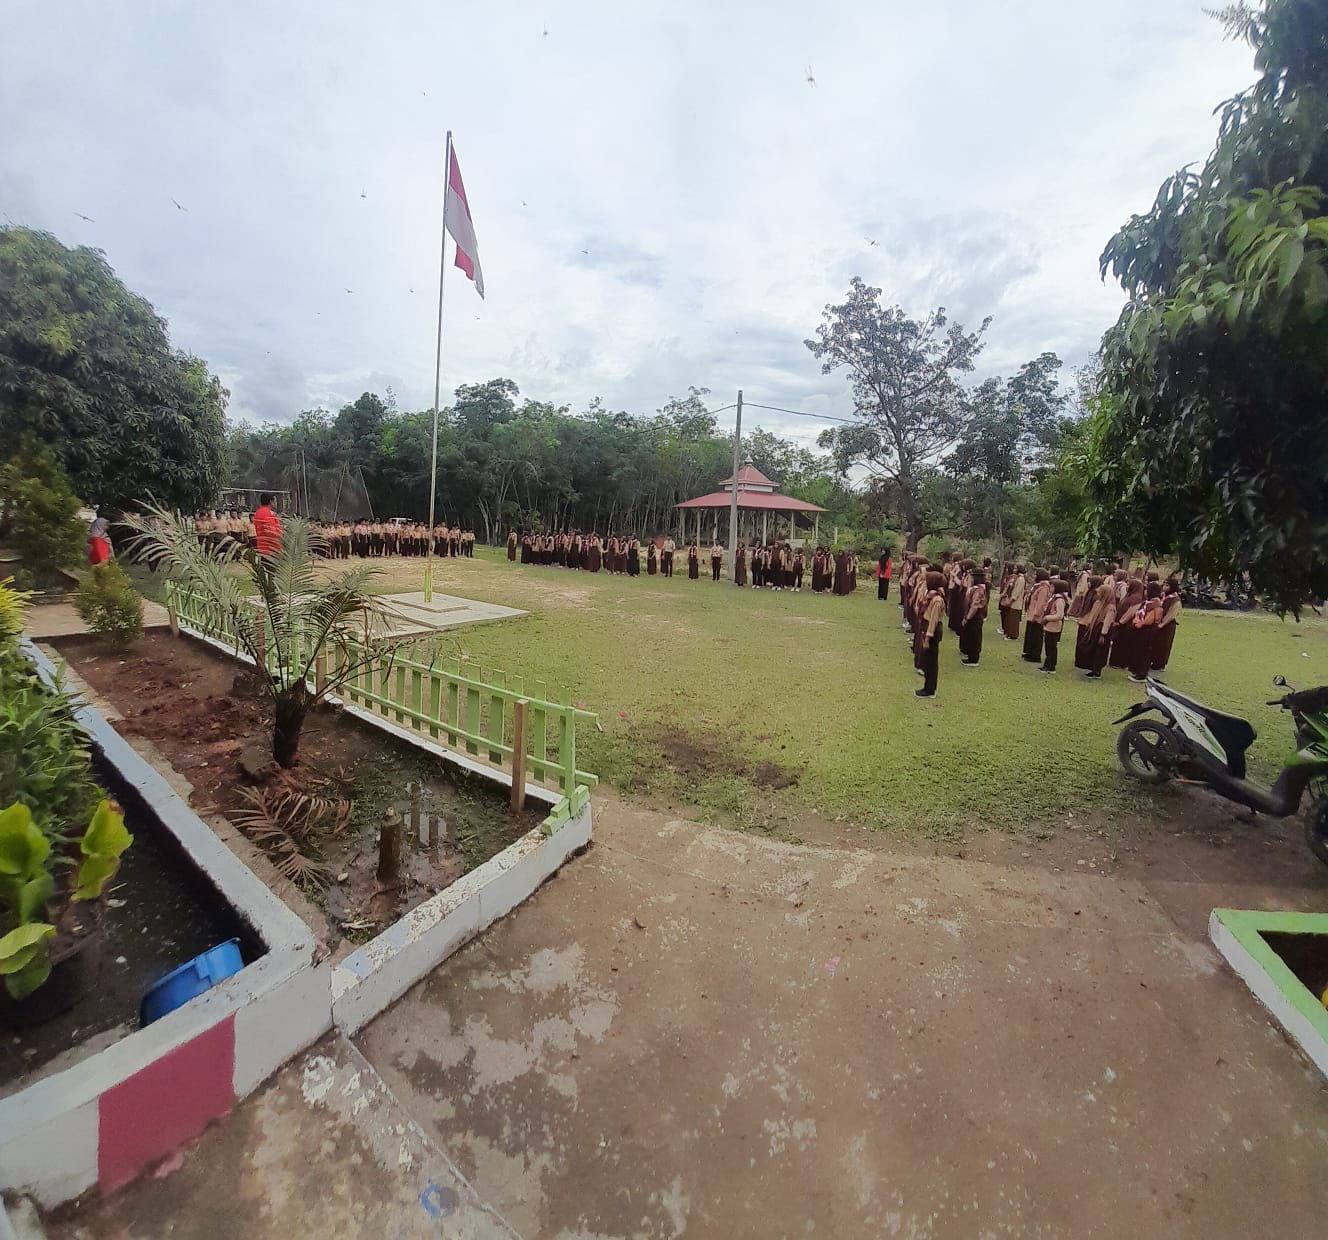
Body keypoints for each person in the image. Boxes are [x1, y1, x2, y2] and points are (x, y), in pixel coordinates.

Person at [915, 570, 946, 697]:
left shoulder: (937, 600)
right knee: (927, 660)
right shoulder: (931, 596)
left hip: (932, 631)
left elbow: (933, 621)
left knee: (931, 662)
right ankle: (926, 686)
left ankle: (930, 689)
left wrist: (927, 638)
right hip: (927, 627)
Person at [1076, 579, 1116, 678]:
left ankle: (1097, 671)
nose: (1097, 594)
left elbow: (1107, 622)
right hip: (1095, 628)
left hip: (1102, 630)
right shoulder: (1099, 603)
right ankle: (1091, 667)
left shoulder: (1110, 607)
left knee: (1100, 651)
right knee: (1092, 648)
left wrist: (1103, 634)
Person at [1129, 581, 1164, 681]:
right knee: (1140, 649)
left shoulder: (1155, 603)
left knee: (1145, 651)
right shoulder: (1149, 602)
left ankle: (1141, 673)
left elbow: (1152, 618)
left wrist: (1141, 623)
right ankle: (1137, 670)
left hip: (1148, 629)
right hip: (1143, 628)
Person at [1109, 579, 1145, 671]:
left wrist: (1121, 622)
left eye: (1129, 585)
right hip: (1119, 623)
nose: (1127, 587)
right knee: (1117, 643)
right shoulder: (1128, 595)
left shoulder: (1136, 598)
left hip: (1127, 625)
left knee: (1124, 644)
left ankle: (1121, 663)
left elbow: (1131, 612)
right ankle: (1114, 662)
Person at [1022, 569, 1053, 663]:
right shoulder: (1038, 586)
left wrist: (1036, 614)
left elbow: (1041, 603)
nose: (1034, 576)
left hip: (1036, 616)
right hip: (1031, 614)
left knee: (1036, 636)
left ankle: (1035, 655)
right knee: (1030, 635)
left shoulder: (1044, 587)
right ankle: (1028, 652)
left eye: (1035, 574)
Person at [1040, 580, 1071, 673]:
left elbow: (1059, 615)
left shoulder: (1060, 600)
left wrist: (1047, 617)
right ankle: (1047, 664)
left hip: (1054, 626)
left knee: (1051, 647)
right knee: (1048, 646)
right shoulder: (1054, 598)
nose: (1051, 588)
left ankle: (1051, 666)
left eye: (1053, 587)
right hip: (1049, 626)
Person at [959, 568, 988, 666]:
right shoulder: (974, 588)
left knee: (975, 636)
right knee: (970, 636)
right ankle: (970, 655)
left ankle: (974, 659)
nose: (969, 579)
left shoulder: (979, 590)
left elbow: (974, 606)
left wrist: (967, 618)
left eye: (971, 577)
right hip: (971, 614)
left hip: (975, 616)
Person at [1152, 578, 1183, 671]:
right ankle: (1154, 661)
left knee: (1163, 644)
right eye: (1164, 585)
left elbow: (1171, 614)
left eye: (1167, 585)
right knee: (1156, 644)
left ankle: (1160, 664)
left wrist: (1162, 624)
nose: (1164, 587)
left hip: (1167, 625)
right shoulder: (1164, 596)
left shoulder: (1175, 599)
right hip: (1159, 623)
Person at [1002, 564, 1027, 640]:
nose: (1014, 569)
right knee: (1010, 618)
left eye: (1016, 568)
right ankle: (1009, 634)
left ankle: (1013, 635)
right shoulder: (1017, 577)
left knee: (1014, 620)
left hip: (1016, 602)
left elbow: (1017, 591)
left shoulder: (1021, 579)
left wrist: (1012, 599)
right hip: (1012, 601)